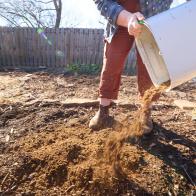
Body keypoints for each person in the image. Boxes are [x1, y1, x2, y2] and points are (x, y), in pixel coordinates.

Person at [89, 0, 189, 132]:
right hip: (120, 17)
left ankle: (146, 112)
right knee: (112, 61)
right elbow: (102, 2)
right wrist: (128, 18)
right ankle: (103, 113)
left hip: (152, 18)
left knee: (149, 65)